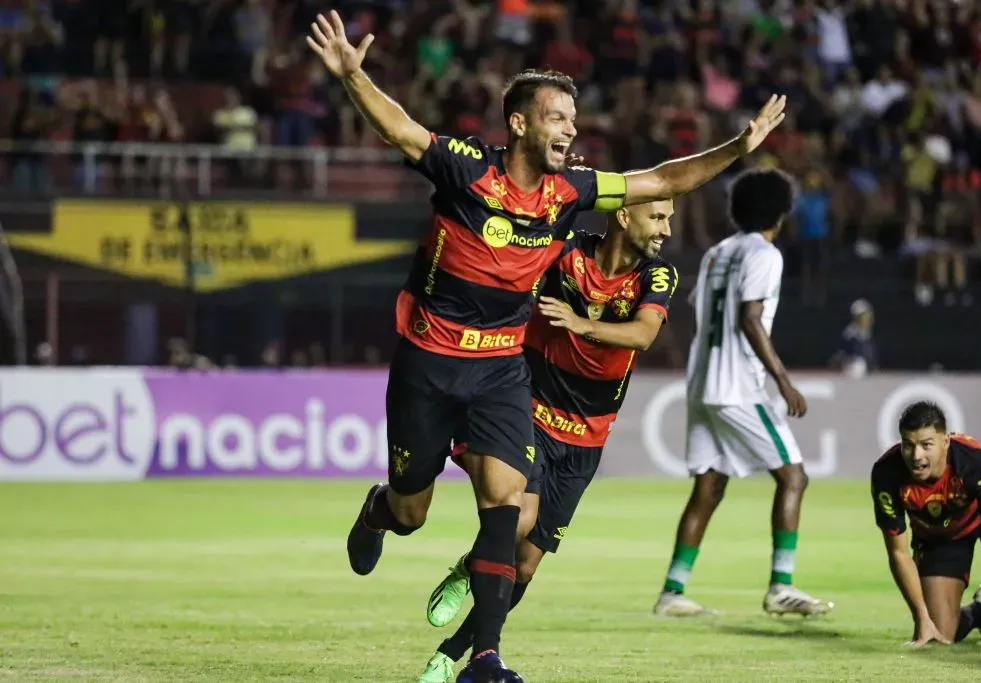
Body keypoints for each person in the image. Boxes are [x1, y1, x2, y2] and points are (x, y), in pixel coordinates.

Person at [306, 10, 785, 681]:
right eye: (557, 116)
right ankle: (379, 510)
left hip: (500, 368)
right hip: (429, 362)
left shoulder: (572, 192)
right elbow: (400, 128)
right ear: (521, 123)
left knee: (506, 508)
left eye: (573, 116)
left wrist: (738, 147)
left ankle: (484, 660)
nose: (570, 128)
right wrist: (354, 75)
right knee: (413, 510)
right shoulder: (465, 170)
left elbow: (662, 180)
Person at [416, 200, 679, 682]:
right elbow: (522, 246)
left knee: (528, 566)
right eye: (658, 216)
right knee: (520, 519)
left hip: (588, 435)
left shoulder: (657, 276)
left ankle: (450, 651)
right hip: (530, 409)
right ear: (624, 216)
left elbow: (642, 335)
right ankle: (479, 637)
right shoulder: (569, 251)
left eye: (668, 218)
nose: (667, 227)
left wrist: (582, 324)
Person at [654, 168, 834, 618]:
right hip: (737, 385)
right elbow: (750, 317)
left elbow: (701, 308)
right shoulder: (765, 255)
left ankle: (672, 592)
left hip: (702, 381)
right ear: (782, 212)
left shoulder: (718, 252)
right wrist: (782, 380)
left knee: (709, 485)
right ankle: (781, 586)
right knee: (794, 478)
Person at [871, 401, 981, 649]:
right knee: (940, 632)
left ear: (945, 442)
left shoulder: (975, 463)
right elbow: (898, 553)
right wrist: (921, 617)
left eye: (926, 445)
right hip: (942, 534)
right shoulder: (886, 474)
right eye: (908, 445)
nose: (916, 455)